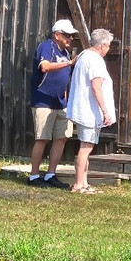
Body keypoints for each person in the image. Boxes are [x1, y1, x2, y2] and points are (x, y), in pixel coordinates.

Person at [28, 19, 78, 189]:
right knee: (42, 138)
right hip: (43, 101)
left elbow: (65, 78)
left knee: (61, 137)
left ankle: (50, 175)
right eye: (67, 35)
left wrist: (65, 96)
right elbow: (45, 67)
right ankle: (34, 176)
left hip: (60, 102)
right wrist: (69, 63)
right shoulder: (47, 47)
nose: (70, 38)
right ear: (57, 35)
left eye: (72, 36)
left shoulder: (64, 52)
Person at [65, 28, 116, 194]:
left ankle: (84, 183)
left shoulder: (83, 56)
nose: (108, 49)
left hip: (83, 109)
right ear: (101, 45)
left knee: (86, 146)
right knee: (85, 148)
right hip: (89, 111)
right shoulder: (95, 60)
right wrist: (105, 111)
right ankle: (79, 184)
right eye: (108, 45)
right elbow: (96, 87)